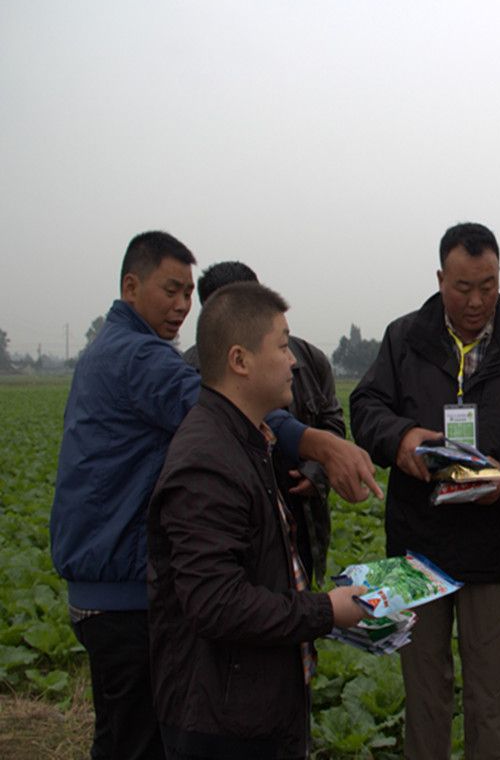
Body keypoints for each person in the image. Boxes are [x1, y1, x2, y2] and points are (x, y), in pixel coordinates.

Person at [50, 231, 380, 760]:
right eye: (171, 290)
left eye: (188, 293)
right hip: (123, 593)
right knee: (134, 742)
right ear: (130, 287)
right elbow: (213, 394)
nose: (182, 305)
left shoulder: (126, 353)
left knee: (126, 735)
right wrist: (315, 441)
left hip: (117, 585)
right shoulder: (139, 361)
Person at [350, 222, 500, 759]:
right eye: (463, 287)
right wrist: (400, 438)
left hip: (490, 544)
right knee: (424, 687)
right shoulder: (404, 339)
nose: (476, 301)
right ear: (440, 279)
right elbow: (366, 407)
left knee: (491, 690)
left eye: (488, 286)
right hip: (413, 545)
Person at [147, 281, 367, 759]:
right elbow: (216, 603)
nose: (294, 362)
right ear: (240, 360)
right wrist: (326, 611)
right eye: (283, 346)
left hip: (252, 702)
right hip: (223, 724)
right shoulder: (208, 460)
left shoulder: (249, 439)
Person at [183, 261, 346, 584]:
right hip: (241, 528)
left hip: (299, 513)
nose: (289, 360)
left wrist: (317, 468)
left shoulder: (309, 359)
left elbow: (332, 421)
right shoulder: (187, 372)